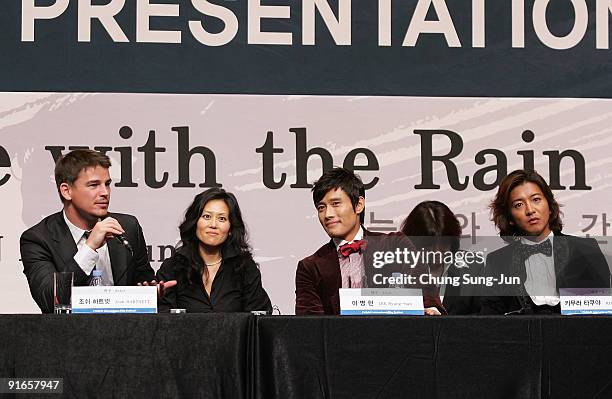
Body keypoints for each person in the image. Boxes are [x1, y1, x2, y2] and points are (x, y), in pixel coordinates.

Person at [20, 149, 155, 313]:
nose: (105, 193)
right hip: (69, 335)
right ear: (66, 191)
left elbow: (144, 283)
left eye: (107, 184)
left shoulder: (128, 226)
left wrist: (151, 294)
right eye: (94, 185)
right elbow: (49, 300)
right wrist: (89, 248)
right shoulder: (38, 239)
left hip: (125, 334)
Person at [295, 167, 444, 315]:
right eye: (321, 207)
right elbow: (310, 325)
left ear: (359, 204)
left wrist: (430, 310)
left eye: (336, 204)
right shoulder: (310, 268)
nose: (327, 214)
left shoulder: (394, 245)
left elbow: (424, 290)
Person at [481, 169, 611, 315]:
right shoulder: (497, 261)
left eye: (536, 199)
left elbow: (602, 318)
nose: (530, 210)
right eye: (518, 204)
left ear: (549, 206)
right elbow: (490, 322)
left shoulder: (585, 249)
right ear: (509, 218)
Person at [156, 188, 272, 313]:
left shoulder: (245, 268)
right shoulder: (171, 268)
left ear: (231, 228)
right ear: (195, 222)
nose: (213, 224)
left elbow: (259, 320)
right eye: (207, 216)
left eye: (221, 219)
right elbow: (162, 324)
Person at [401, 200, 483, 315]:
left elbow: (482, 319)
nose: (437, 252)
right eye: (429, 245)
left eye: (443, 244)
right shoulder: (397, 268)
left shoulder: (472, 267)